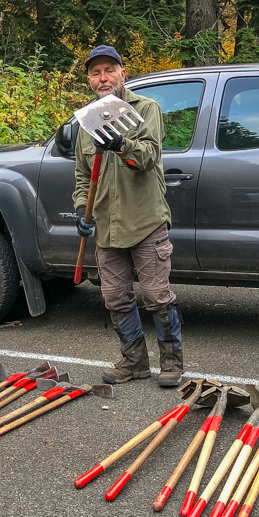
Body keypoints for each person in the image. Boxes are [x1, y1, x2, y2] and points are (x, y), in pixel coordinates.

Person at [73, 45, 183, 388]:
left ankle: (172, 363)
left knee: (156, 296)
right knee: (116, 298)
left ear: (123, 73)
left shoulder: (146, 109)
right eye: (95, 72)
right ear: (89, 80)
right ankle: (134, 362)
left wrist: (121, 144)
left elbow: (149, 156)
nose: (103, 78)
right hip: (107, 226)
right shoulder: (86, 124)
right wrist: (81, 209)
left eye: (109, 70)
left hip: (145, 221)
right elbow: (81, 176)